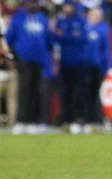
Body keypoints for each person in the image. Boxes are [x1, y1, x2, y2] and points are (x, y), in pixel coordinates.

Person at [5, 0, 52, 134]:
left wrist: (48, 60)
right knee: (23, 90)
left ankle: (33, 121)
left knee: (35, 91)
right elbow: (8, 39)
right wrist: (10, 58)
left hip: (39, 61)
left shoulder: (42, 18)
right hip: (23, 60)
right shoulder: (18, 17)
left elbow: (48, 40)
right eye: (30, 2)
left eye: (34, 2)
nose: (32, 4)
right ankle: (21, 121)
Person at [55, 0, 89, 133]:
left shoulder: (81, 20)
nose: (67, 8)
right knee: (66, 94)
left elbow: (83, 39)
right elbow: (56, 38)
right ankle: (67, 120)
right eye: (66, 6)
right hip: (65, 62)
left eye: (69, 6)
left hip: (79, 63)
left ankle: (79, 119)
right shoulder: (61, 21)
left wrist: (65, 35)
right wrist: (71, 36)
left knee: (79, 93)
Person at [85, 7, 111, 132]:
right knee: (86, 93)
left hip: (97, 66)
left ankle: (96, 119)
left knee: (95, 94)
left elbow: (106, 50)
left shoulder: (102, 29)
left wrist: (106, 67)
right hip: (85, 66)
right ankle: (87, 119)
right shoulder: (84, 28)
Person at [0, 11, 18, 128]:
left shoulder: (13, 38)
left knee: (12, 99)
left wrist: (11, 60)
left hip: (11, 72)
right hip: (1, 71)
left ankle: (12, 123)